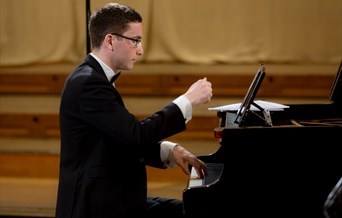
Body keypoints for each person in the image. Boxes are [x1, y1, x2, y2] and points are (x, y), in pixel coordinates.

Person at [55, 2, 213, 218]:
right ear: (110, 40)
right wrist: (188, 100)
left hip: (112, 199)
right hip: (95, 207)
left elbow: (121, 139)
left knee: (188, 210)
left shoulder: (93, 79)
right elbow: (135, 135)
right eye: (135, 41)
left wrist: (169, 151)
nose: (140, 50)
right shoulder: (88, 83)